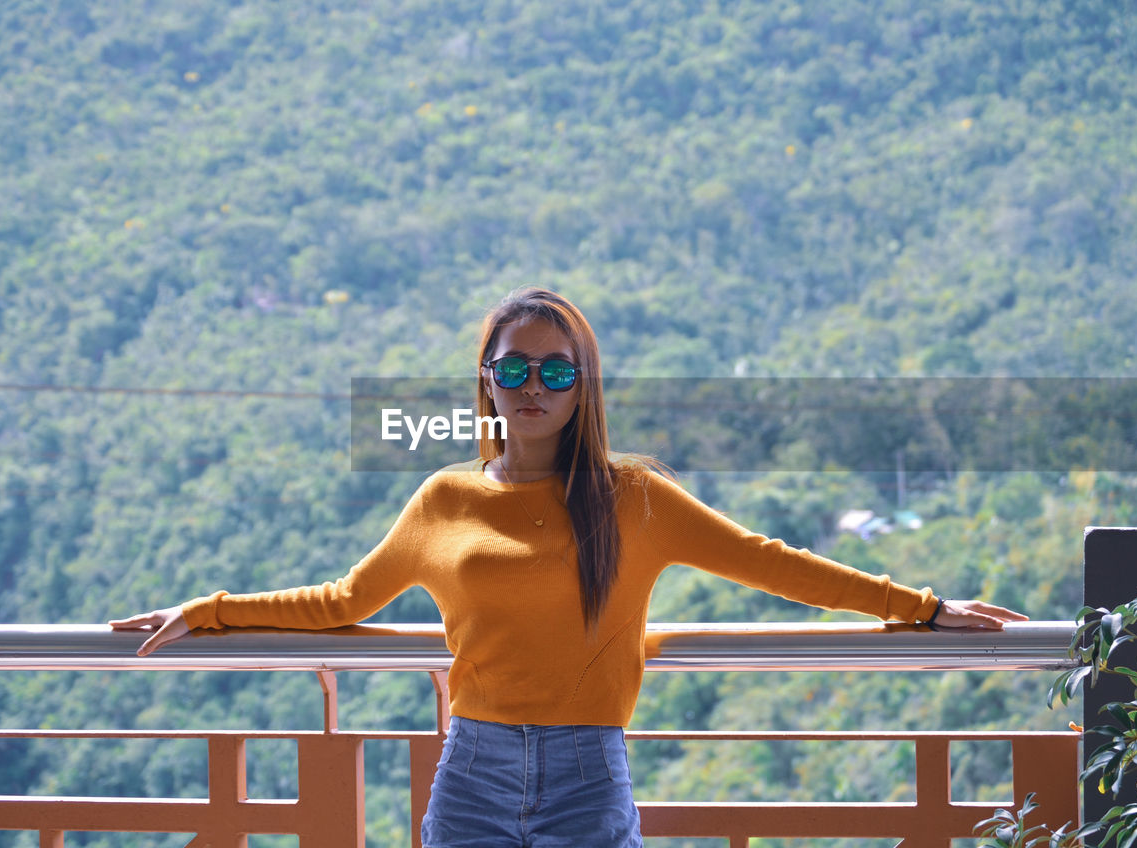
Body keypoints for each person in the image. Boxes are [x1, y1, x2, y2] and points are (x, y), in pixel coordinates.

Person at [111, 287, 1027, 847]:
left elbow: (768, 563)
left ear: (584, 383)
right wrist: (211, 610)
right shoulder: (444, 500)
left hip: (589, 771)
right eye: (517, 371)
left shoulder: (634, 498)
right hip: (470, 770)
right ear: (486, 381)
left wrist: (922, 607)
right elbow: (344, 600)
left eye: (558, 372)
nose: (536, 390)